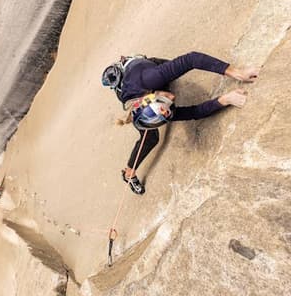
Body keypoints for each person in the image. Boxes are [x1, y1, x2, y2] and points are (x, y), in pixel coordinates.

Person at [102, 52, 258, 195]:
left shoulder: (150, 77)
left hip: (141, 68)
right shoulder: (143, 116)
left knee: (171, 71)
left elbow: (191, 59)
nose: (172, 98)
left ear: (153, 96)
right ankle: (128, 173)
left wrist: (238, 73)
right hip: (132, 94)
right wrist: (225, 100)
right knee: (150, 137)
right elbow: (194, 113)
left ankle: (147, 75)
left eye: (166, 99)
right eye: (168, 104)